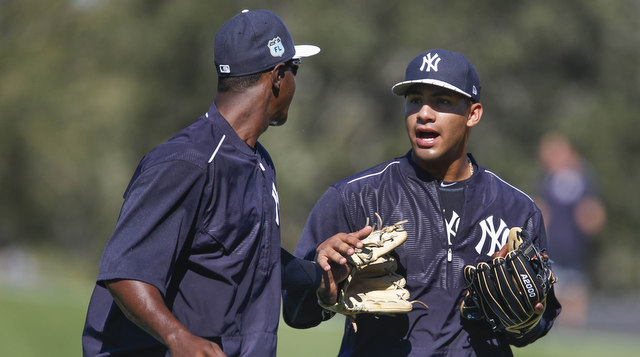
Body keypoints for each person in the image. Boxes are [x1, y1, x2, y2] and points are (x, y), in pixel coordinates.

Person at [81, 9, 368, 357]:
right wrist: (177, 336)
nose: (295, 83)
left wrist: (322, 270)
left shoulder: (259, 162)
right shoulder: (186, 161)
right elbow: (125, 272)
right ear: (278, 77)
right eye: (295, 70)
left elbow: (247, 255)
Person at [282, 48, 562, 356]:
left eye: (442, 101)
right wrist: (322, 287)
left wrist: (526, 320)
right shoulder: (355, 197)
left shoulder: (517, 210)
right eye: (415, 100)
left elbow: (539, 321)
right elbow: (295, 313)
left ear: (473, 113)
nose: (424, 114)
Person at [536, 132, 606, 328]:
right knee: (552, 301)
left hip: (576, 250)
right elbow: (542, 210)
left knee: (575, 299)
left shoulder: (584, 177)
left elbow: (594, 213)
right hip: (551, 250)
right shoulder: (546, 179)